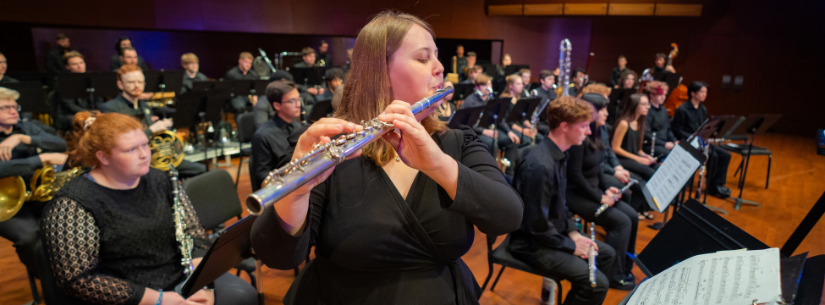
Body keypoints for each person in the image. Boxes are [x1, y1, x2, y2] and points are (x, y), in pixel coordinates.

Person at [250, 11, 522, 304]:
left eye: (437, 56)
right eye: (423, 58)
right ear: (378, 72)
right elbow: (278, 256)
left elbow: (509, 216)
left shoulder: (459, 142)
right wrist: (296, 192)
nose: (440, 68)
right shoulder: (324, 145)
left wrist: (439, 165)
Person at [41, 111, 256, 305]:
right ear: (103, 157)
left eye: (145, 145)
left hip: (180, 277)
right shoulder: (72, 204)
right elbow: (79, 280)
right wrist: (162, 300)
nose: (145, 154)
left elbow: (194, 235)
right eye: (132, 149)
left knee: (243, 296)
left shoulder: (162, 179)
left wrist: (202, 284)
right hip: (128, 295)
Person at [511, 95, 616, 305]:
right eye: (584, 126)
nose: (588, 132)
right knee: (597, 284)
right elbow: (537, 226)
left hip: (551, 234)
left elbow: (560, 205)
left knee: (607, 254)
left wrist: (574, 233)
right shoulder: (540, 166)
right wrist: (570, 244)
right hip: (531, 244)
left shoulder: (559, 154)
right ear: (565, 126)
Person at [0, 87, 68, 302]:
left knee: (66, 226)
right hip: (8, 207)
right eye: (6, 107)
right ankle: (51, 281)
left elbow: (61, 144)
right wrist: (40, 159)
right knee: (30, 238)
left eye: (15, 106)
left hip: (37, 198)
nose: (13, 111)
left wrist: (24, 138)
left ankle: (68, 278)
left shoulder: (25, 127)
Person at [567, 92, 638, 290]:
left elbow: (597, 167)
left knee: (632, 215)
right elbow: (575, 176)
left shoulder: (598, 131)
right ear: (591, 112)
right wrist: (600, 197)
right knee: (621, 223)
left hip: (593, 189)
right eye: (602, 109)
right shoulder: (580, 136)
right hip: (576, 193)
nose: (607, 113)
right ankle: (612, 275)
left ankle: (625, 267)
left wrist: (607, 188)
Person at [100, 65, 205, 178]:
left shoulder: (144, 104)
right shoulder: (110, 109)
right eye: (131, 82)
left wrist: (163, 128)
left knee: (203, 170)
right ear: (120, 84)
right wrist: (152, 129)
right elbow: (120, 144)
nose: (136, 85)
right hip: (135, 163)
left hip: (157, 158)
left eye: (140, 82)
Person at [671, 81, 731, 198]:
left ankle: (716, 184)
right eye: (702, 92)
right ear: (693, 93)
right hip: (689, 142)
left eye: (706, 92)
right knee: (713, 156)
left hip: (701, 141)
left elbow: (704, 127)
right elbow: (677, 130)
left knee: (726, 155)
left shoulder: (702, 109)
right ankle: (712, 187)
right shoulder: (682, 109)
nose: (705, 94)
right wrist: (694, 137)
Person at [250, 80, 303, 191]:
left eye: (299, 99)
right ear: (277, 105)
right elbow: (261, 176)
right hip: (282, 191)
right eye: (292, 101)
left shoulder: (299, 127)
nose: (298, 104)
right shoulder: (263, 136)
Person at [612, 93, 658, 180]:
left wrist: (645, 156)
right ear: (634, 106)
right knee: (650, 173)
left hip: (633, 157)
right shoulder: (624, 123)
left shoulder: (640, 123)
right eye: (644, 104)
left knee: (656, 166)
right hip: (622, 159)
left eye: (648, 104)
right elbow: (615, 148)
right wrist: (638, 158)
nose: (647, 107)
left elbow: (638, 150)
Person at [54, 51, 96, 130]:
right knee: (87, 122)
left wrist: (98, 112)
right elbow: (70, 105)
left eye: (81, 62)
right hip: (69, 115)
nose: (79, 66)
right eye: (74, 64)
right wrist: (88, 114)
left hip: (91, 112)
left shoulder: (92, 78)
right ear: (67, 67)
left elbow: (99, 99)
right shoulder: (62, 81)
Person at [643, 81, 677, 159]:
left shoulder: (664, 110)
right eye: (660, 94)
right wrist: (664, 144)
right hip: (651, 144)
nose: (663, 97)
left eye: (664, 94)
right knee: (668, 154)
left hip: (664, 143)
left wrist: (674, 141)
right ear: (651, 94)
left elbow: (668, 129)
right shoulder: (647, 110)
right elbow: (647, 134)